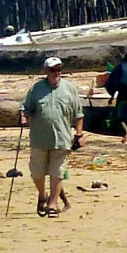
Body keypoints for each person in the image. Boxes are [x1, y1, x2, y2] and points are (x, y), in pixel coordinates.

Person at [20, 56, 84, 218]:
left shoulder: (69, 88)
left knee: (57, 173)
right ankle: (42, 195)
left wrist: (79, 134)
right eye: (53, 70)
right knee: (37, 173)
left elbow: (79, 114)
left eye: (59, 69)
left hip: (62, 138)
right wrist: (23, 117)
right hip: (39, 139)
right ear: (46, 71)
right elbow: (25, 108)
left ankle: (53, 204)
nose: (57, 73)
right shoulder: (36, 89)